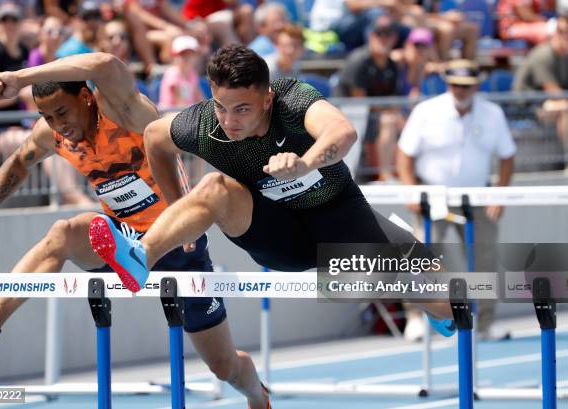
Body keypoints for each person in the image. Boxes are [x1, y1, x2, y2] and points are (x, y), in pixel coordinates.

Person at [0, 52, 270, 409]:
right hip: (121, 244)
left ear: (86, 97)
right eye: (47, 117)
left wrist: (21, 77)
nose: (58, 125)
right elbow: (18, 164)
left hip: (178, 241)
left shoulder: (125, 113)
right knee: (65, 232)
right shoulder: (54, 135)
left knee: (223, 366)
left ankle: (258, 395)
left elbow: (105, 64)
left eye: (62, 112)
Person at [87, 44, 455, 337]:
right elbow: (154, 138)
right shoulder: (202, 125)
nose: (229, 121)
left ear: (266, 99)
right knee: (215, 185)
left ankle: (443, 311)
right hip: (279, 235)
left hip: (340, 218)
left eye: (242, 109)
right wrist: (179, 209)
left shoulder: (293, 101)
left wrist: (304, 164)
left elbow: (343, 132)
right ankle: (141, 257)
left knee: (442, 297)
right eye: (221, 107)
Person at [396, 59, 516, 341]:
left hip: (477, 196)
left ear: (476, 85)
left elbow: (508, 155)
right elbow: (405, 153)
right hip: (433, 195)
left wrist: (499, 193)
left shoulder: (493, 113)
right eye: (455, 85)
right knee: (420, 257)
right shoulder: (427, 111)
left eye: (466, 86)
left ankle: (484, 324)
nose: (460, 91)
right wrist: (411, 189)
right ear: (447, 84)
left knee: (484, 259)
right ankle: (416, 318)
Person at [334, 14, 405, 181]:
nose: (384, 38)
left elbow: (392, 98)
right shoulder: (359, 60)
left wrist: (399, 116)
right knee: (389, 120)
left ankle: (404, 173)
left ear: (394, 37)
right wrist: (392, 113)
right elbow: (359, 102)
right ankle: (385, 175)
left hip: (373, 115)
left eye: (388, 33)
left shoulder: (392, 65)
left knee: (403, 121)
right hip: (347, 115)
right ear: (370, 35)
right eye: (379, 33)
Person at [513, 15, 568, 150]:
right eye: (562, 31)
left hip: (549, 103)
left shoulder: (565, 55)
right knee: (566, 110)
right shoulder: (543, 55)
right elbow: (555, 93)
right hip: (527, 106)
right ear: (557, 32)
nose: (565, 35)